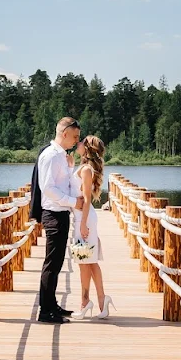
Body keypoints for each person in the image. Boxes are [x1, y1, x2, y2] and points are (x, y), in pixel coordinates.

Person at [32, 117, 83, 324]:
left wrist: (70, 169)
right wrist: (73, 202)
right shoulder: (51, 156)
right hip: (53, 214)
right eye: (75, 136)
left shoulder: (61, 156)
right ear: (64, 134)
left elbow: (60, 183)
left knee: (57, 262)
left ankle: (51, 305)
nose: (76, 141)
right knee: (51, 264)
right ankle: (45, 311)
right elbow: (48, 188)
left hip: (60, 213)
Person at [70, 135, 114, 319]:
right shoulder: (83, 168)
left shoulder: (86, 170)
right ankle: (102, 301)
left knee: (84, 263)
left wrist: (82, 224)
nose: (78, 143)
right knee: (90, 261)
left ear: (87, 149)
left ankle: (85, 302)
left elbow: (87, 200)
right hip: (83, 217)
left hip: (84, 218)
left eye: (81, 142)